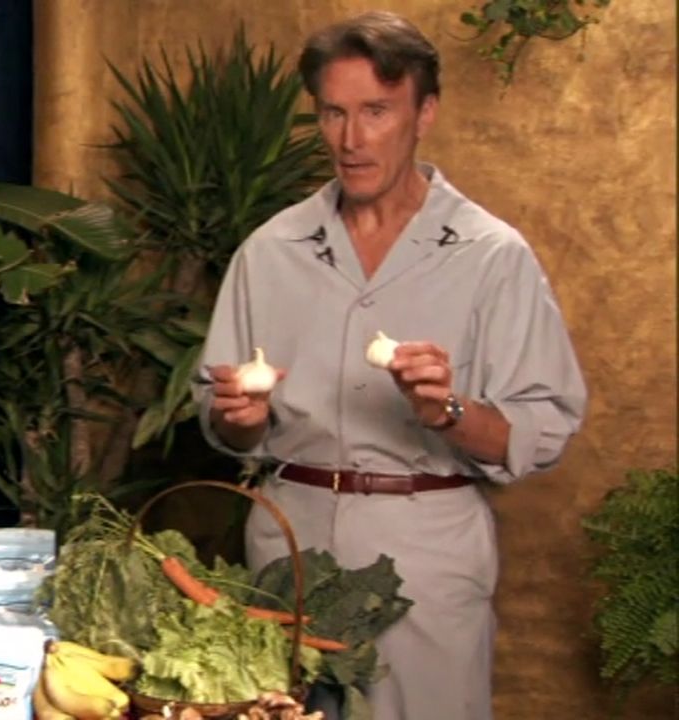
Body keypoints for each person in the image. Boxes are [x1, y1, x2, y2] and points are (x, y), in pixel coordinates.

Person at [194, 11, 587, 720]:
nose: (351, 139)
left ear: (424, 113)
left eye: (376, 111)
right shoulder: (269, 251)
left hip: (427, 556)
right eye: (333, 113)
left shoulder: (491, 257)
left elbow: (543, 430)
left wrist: (447, 412)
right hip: (290, 552)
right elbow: (228, 428)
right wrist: (240, 418)